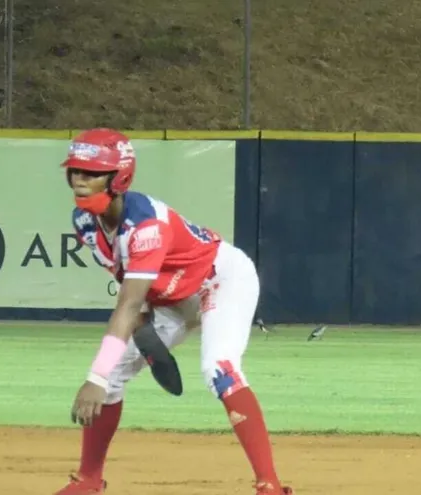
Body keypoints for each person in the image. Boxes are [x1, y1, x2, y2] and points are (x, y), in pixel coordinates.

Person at [54, 128, 292, 495]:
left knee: (219, 369)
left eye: (91, 172)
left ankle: (270, 486)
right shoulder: (85, 222)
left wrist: (95, 376)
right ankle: (88, 481)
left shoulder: (146, 224)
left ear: (120, 177)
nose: (80, 180)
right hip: (170, 298)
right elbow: (129, 284)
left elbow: (128, 302)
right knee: (114, 373)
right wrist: (142, 320)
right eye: (75, 171)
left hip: (219, 280)